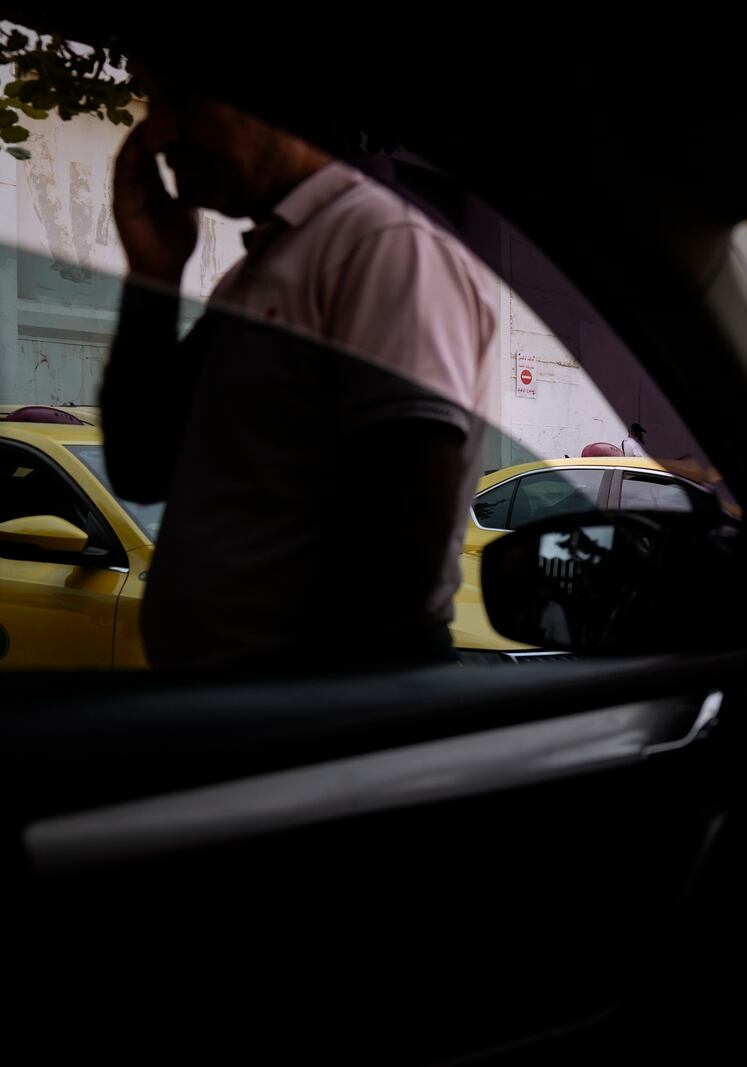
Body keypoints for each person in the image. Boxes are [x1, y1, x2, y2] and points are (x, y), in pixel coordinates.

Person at [102, 71, 497, 670]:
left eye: (182, 99)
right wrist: (153, 279)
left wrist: (291, 710)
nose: (157, 136)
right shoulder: (257, 271)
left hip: (313, 720)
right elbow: (141, 466)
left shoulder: (382, 244)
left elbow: (401, 551)